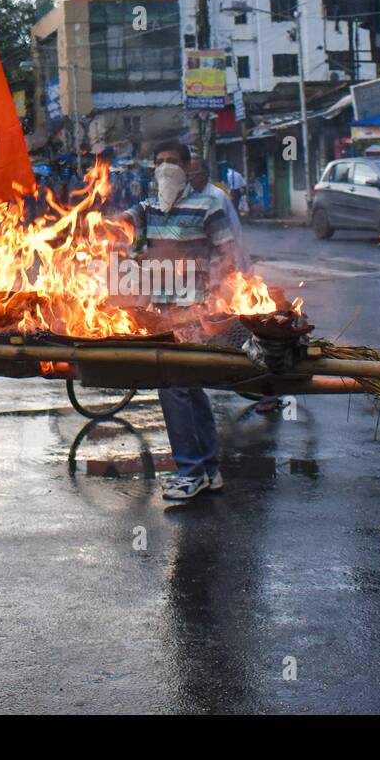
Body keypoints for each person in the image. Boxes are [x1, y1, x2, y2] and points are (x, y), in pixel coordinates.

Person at [122, 140, 236, 501]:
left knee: (173, 384)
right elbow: (122, 223)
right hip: (162, 312)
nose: (165, 167)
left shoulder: (209, 206)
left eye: (172, 162)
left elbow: (227, 255)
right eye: (159, 162)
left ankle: (190, 472)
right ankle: (209, 467)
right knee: (190, 385)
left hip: (194, 311)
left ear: (187, 168)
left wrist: (216, 298)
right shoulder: (149, 206)